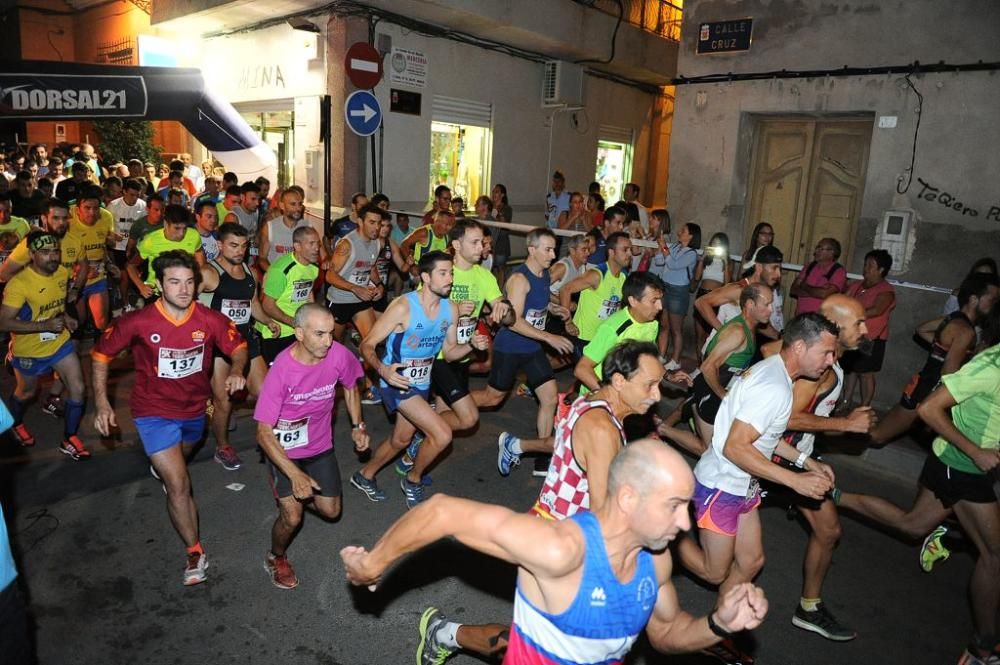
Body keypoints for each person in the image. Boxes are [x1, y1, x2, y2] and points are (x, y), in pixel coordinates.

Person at [342, 439, 769, 665]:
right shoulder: (562, 551)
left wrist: (718, 623)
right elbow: (442, 513)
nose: (684, 525)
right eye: (674, 507)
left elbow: (666, 632)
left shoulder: (655, 559)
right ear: (627, 499)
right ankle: (444, 634)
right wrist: (369, 566)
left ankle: (445, 634)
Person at [423, 341, 668, 661]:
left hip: (552, 529)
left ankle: (446, 634)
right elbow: (600, 516)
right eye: (650, 384)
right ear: (619, 382)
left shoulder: (591, 404)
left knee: (546, 644)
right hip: (561, 544)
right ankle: (444, 633)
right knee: (547, 647)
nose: (658, 395)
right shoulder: (602, 428)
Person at [833, 334, 1000, 665]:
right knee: (996, 556)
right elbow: (929, 408)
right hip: (960, 465)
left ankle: (830, 495)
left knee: (912, 525)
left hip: (958, 466)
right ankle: (983, 645)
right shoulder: (993, 365)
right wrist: (976, 451)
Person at [92, 250, 248, 586]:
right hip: (153, 413)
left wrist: (236, 370)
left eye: (190, 282)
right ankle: (194, 551)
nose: (184, 289)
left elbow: (239, 347)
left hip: (194, 411)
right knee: (178, 484)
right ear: (159, 284)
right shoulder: (138, 322)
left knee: (184, 454)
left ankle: (166, 463)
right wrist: (103, 403)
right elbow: (101, 354)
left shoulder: (210, 320)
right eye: (174, 282)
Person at [679, 313, 838, 603]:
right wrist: (795, 481)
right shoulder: (773, 386)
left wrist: (806, 461)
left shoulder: (779, 375)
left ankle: (721, 627)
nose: (830, 361)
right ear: (800, 347)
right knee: (715, 573)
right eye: (826, 352)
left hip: (743, 486)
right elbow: (735, 448)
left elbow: (765, 437)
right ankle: (659, 542)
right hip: (722, 487)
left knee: (751, 562)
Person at [758, 294, 876, 641]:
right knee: (737, 552)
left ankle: (809, 607)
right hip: (778, 459)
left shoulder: (827, 364)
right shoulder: (820, 372)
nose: (866, 329)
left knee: (828, 531)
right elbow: (787, 418)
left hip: (797, 458)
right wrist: (845, 426)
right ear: (836, 328)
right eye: (859, 323)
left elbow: (770, 352)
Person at [351, 250, 487, 507]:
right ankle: (412, 480)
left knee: (401, 440)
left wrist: (471, 346)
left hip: (422, 382)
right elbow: (367, 345)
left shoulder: (451, 309)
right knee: (442, 434)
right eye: (443, 273)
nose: (450, 279)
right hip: (397, 380)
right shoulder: (403, 306)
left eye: (452, 273)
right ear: (426, 277)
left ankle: (364, 475)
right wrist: (382, 370)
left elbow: (450, 353)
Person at [254, 303, 368, 589]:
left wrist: (358, 426)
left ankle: (298, 497)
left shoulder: (338, 354)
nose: (328, 341)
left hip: (318, 445)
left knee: (331, 511)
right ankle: (275, 556)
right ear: (300, 333)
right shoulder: (281, 370)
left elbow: (352, 386)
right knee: (292, 516)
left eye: (331, 333)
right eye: (320, 334)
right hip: (283, 451)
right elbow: (263, 433)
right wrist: (294, 474)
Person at [398, 220, 511, 470]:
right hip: (436, 355)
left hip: (462, 354)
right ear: (457, 245)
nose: (481, 246)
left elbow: (502, 306)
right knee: (468, 418)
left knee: (441, 415)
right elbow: (420, 311)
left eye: (482, 242)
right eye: (475, 242)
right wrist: (456, 311)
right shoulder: (442, 271)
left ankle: (416, 448)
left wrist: (504, 306)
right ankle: (422, 438)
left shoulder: (484, 276)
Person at [474, 228, 576, 467]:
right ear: (532, 249)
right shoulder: (519, 279)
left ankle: (543, 455)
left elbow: (537, 301)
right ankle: (451, 407)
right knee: (492, 398)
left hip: (531, 349)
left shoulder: (544, 274)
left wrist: (553, 308)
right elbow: (515, 320)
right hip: (509, 347)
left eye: (554, 249)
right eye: (547, 249)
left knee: (549, 398)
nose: (553, 255)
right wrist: (548, 338)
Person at [871, 273, 998, 447]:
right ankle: (836, 434)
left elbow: (922, 329)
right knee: (877, 436)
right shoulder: (965, 331)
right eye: (992, 299)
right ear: (974, 299)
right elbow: (949, 373)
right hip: (927, 391)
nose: (994, 304)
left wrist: (944, 349)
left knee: (881, 433)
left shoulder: (953, 318)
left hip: (921, 384)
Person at [0, 231, 90, 459]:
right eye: (45, 252)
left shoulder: (61, 272)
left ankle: (69, 437)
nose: (53, 257)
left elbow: (56, 304)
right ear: (31, 254)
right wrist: (45, 324)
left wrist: (64, 317)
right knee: (27, 393)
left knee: (78, 387)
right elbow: (3, 322)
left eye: (55, 251)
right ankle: (16, 423)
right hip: (29, 349)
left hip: (59, 343)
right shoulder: (19, 284)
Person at [200, 223, 281, 471]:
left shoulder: (249, 271)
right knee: (223, 400)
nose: (239, 251)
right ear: (220, 245)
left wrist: (267, 320)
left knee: (265, 392)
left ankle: (265, 436)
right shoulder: (208, 273)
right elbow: (185, 302)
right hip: (219, 346)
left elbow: (253, 303)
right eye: (233, 245)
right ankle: (222, 446)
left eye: (244, 246)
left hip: (246, 340)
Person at [689, 283, 774, 448]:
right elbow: (707, 367)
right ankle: (663, 430)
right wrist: (725, 396)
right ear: (750, 304)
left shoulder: (750, 328)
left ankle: (668, 425)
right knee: (709, 450)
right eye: (766, 304)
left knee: (717, 449)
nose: (771, 309)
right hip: (710, 392)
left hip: (721, 391)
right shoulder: (737, 332)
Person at [256, 226, 321, 364]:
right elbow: (267, 305)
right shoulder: (281, 270)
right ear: (297, 246)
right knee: (276, 378)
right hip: (275, 332)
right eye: (311, 244)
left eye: (318, 244)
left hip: (297, 330)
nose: (317, 248)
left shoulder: (313, 267)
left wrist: (312, 318)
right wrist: (292, 322)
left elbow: (308, 294)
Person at [841, 249, 896, 408]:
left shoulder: (886, 290)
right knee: (851, 370)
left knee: (866, 373)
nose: (866, 268)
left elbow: (877, 310)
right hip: (852, 335)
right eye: (866, 264)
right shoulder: (857, 285)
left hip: (871, 339)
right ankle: (846, 400)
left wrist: (851, 313)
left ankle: (865, 407)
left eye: (871, 265)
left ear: (881, 270)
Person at [325, 202, 384, 344]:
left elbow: (371, 266)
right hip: (340, 300)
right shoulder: (346, 245)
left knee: (371, 342)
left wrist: (379, 285)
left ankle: (365, 364)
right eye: (372, 222)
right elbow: (329, 276)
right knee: (334, 345)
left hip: (361, 299)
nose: (376, 227)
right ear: (360, 222)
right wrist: (354, 288)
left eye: (379, 223)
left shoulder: (377, 243)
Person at [650, 221, 701, 371]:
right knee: (664, 325)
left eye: (683, 230)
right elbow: (660, 262)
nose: (680, 232)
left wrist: (664, 247)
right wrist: (660, 249)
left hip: (678, 292)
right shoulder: (674, 247)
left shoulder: (692, 254)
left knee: (676, 328)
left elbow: (673, 264)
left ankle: (676, 359)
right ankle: (661, 354)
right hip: (665, 287)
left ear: (691, 235)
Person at [130, 204, 205, 299]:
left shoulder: (194, 235)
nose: (181, 233)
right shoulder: (150, 240)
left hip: (185, 292)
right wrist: (141, 286)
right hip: (158, 294)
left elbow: (200, 259)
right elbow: (130, 266)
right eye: (177, 228)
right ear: (166, 224)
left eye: (184, 228)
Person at [68, 186, 116, 333]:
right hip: (73, 279)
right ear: (77, 209)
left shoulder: (106, 216)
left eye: (96, 208)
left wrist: (108, 264)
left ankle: (104, 352)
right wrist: (81, 270)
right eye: (87, 208)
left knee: (102, 321)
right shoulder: (67, 218)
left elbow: (103, 244)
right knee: (78, 321)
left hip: (97, 277)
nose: (92, 212)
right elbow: (57, 252)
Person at [107, 179, 147, 310]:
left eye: (137, 195)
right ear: (123, 192)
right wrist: (113, 235)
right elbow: (105, 227)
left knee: (138, 275)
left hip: (137, 247)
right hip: (119, 247)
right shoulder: (113, 206)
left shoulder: (143, 206)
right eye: (131, 195)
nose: (134, 198)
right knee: (124, 276)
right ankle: (125, 303)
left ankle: (142, 299)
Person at [693, 232, 732, 361]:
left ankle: (706, 363)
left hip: (716, 299)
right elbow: (697, 277)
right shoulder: (706, 260)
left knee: (710, 334)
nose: (716, 246)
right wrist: (703, 258)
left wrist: (725, 261)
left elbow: (727, 283)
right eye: (714, 243)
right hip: (702, 294)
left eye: (719, 244)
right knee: (699, 334)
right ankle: (699, 364)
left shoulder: (728, 262)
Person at [257, 188, 309, 273]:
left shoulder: (307, 227)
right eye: (293, 204)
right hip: (276, 280)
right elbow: (262, 259)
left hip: (299, 280)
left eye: (300, 204)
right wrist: (275, 274)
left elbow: (319, 254)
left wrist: (326, 260)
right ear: (282, 205)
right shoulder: (269, 227)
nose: (298, 208)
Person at [790, 238, 847, 316]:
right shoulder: (809, 266)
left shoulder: (838, 271)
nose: (816, 251)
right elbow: (793, 290)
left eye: (820, 248)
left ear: (832, 252)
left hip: (820, 321)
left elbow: (824, 294)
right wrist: (815, 293)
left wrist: (804, 286)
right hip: (800, 317)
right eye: (817, 248)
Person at [223, 181, 262, 261]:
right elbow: (228, 248)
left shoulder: (256, 212)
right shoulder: (233, 217)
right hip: (237, 263)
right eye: (253, 199)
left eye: (258, 199)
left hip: (251, 262)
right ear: (242, 197)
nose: (257, 203)